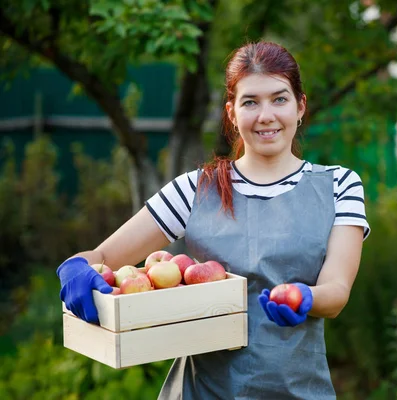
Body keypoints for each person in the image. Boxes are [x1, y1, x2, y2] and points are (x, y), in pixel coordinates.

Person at [57, 41, 370, 399]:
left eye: (279, 99)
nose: (265, 115)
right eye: (250, 102)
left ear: (300, 106)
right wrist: (75, 269)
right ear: (232, 113)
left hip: (297, 391)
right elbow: (100, 258)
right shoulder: (195, 189)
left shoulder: (339, 185)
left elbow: (337, 292)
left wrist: (305, 297)